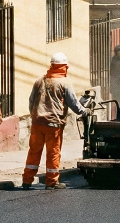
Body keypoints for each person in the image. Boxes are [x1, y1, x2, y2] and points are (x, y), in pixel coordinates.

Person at [22, 53, 87, 190]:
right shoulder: (65, 82)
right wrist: (84, 111)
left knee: (34, 151)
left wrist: (35, 116)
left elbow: (31, 101)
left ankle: (27, 180)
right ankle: (51, 182)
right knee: (53, 152)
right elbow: (73, 103)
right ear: (64, 67)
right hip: (53, 124)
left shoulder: (39, 80)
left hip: (37, 123)